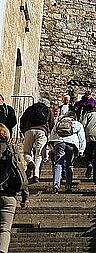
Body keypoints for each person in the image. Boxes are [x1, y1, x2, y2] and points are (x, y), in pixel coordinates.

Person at [0, 124, 29, 253]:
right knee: (4, 229)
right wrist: (25, 196)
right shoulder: (12, 150)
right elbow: (20, 173)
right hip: (7, 195)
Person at [48, 111, 86, 194]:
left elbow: (52, 134)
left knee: (58, 164)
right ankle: (68, 186)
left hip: (59, 143)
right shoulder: (77, 124)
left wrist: (52, 146)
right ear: (74, 117)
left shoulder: (58, 123)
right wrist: (81, 150)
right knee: (69, 165)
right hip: (72, 145)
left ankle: (56, 185)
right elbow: (82, 137)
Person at [20, 99, 55, 183]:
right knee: (39, 155)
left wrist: (23, 130)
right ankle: (36, 175)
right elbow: (52, 123)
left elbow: (22, 119)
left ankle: (30, 161)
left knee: (26, 152)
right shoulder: (48, 110)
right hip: (42, 131)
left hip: (29, 130)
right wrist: (47, 131)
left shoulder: (30, 109)